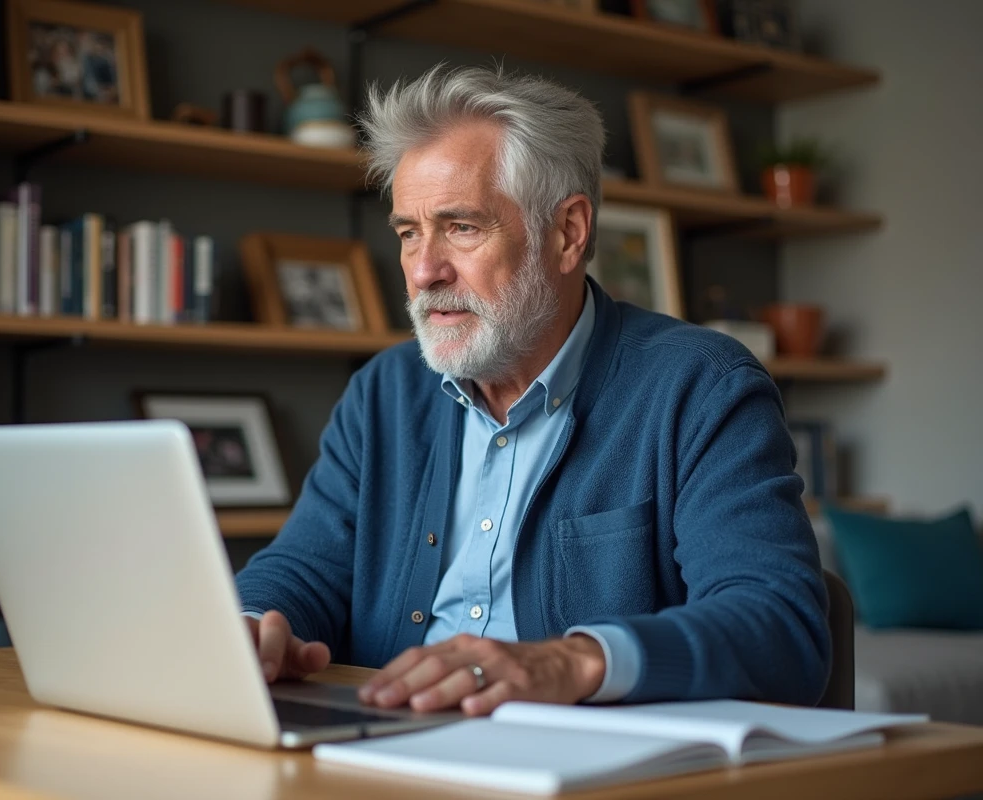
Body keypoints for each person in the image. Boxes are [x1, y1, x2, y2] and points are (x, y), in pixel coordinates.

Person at [234, 64, 830, 716]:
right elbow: (306, 566)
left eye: (461, 227)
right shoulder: (383, 392)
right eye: (409, 233)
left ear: (567, 232)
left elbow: (782, 627)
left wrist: (569, 660)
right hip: (384, 751)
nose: (425, 271)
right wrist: (252, 620)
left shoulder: (701, 389)